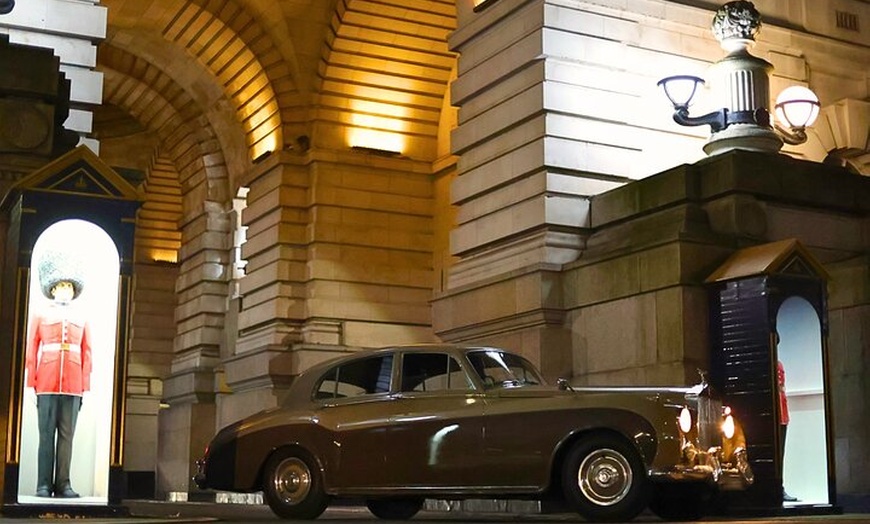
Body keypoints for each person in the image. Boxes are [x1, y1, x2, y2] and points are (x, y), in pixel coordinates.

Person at [25, 249, 92, 498]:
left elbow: (87, 352)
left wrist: (85, 386)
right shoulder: (41, 314)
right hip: (46, 382)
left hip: (73, 385)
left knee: (67, 437)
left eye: (69, 286)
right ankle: (43, 484)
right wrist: (31, 383)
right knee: (46, 436)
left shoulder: (82, 317)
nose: (65, 290)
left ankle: (63, 483)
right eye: (61, 285)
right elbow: (32, 347)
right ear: (52, 289)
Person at [776, 334, 798, 503]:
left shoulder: (779, 365)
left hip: (782, 414)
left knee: (781, 454)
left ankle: (780, 487)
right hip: (775, 415)